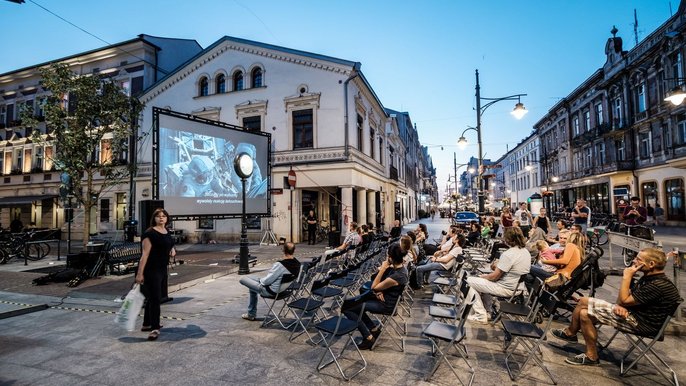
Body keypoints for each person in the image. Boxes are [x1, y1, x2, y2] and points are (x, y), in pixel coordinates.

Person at [551, 248, 682, 366]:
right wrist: (623, 304)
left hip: (640, 324)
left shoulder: (657, 285)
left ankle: (573, 336)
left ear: (651, 264)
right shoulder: (651, 278)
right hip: (633, 314)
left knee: (584, 304)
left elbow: (623, 300)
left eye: (638, 259)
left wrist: (627, 277)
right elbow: (623, 300)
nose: (634, 261)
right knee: (584, 312)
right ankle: (585, 348)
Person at [342, 242, 408, 350]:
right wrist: (380, 290)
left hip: (386, 305)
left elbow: (373, 286)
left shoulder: (397, 275)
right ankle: (373, 329)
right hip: (384, 298)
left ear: (391, 258)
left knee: (347, 308)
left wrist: (382, 269)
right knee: (356, 304)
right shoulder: (399, 269)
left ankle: (368, 338)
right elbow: (378, 284)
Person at [467, 228, 531, 323]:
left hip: (505, 288)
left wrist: (484, 276)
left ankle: (480, 314)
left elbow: (495, 277)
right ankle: (488, 311)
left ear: (508, 239)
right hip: (518, 288)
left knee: (468, 281)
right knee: (482, 283)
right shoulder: (525, 252)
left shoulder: (509, 254)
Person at [135, 208, 176, 341]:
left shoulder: (166, 231)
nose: (161, 218)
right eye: (158, 216)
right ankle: (155, 328)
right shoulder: (149, 233)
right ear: (154, 218)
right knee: (156, 299)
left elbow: (169, 243)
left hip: (162, 269)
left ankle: (147, 324)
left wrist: (172, 250)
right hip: (151, 270)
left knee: (153, 297)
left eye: (164, 216)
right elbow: (144, 255)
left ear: (167, 218)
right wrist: (140, 274)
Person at [239, 242, 301, 321]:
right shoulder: (297, 264)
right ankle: (251, 314)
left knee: (243, 279)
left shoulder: (280, 265)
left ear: (283, 250)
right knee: (252, 283)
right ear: (294, 251)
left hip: (270, 291)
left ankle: (251, 314)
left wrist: (260, 281)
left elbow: (266, 282)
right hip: (282, 289)